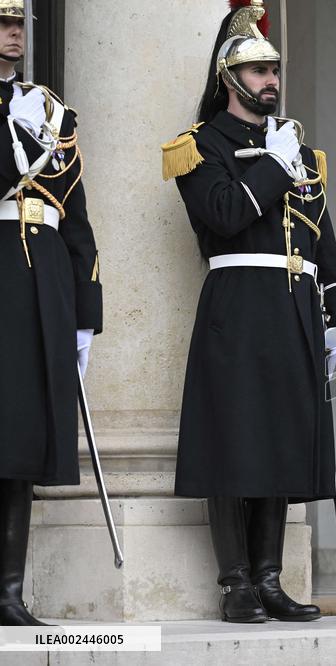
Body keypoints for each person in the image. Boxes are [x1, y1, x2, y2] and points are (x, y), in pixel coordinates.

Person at [161, 0, 336, 623]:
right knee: (233, 439)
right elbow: (222, 214)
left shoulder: (296, 146)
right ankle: (235, 582)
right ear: (229, 77)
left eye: (275, 71)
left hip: (293, 304)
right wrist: (275, 165)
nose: (272, 81)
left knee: (278, 440)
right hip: (238, 304)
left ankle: (270, 577)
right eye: (259, 71)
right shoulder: (200, 146)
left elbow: (320, 232)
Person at [0, 0, 102, 626]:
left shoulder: (48, 109)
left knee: (23, 439)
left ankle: (9, 593)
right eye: (2, 25)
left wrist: (85, 311)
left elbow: (77, 217)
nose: (13, 35)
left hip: (44, 280)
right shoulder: (23, 114)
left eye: (18, 26)